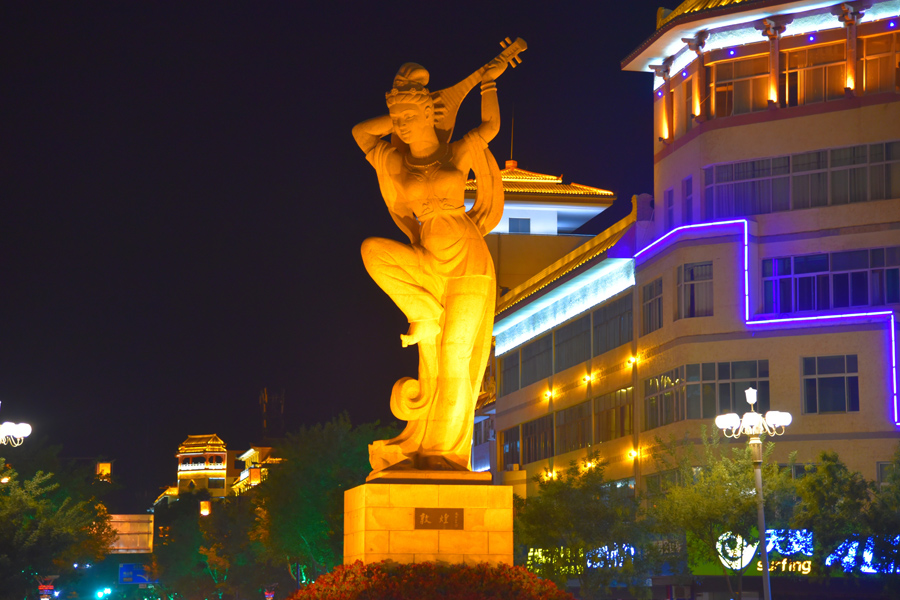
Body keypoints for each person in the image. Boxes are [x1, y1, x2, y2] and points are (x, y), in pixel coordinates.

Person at [352, 55, 511, 473]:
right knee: (373, 251)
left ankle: (441, 453)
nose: (401, 125)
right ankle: (422, 313)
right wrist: (399, 117)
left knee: (454, 361)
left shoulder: (454, 154)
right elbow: (360, 133)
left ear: (428, 112)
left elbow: (490, 129)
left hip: (468, 263)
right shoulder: (395, 161)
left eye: (408, 116)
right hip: (427, 259)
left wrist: (488, 84)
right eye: (396, 118)